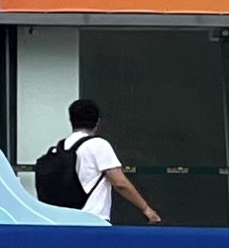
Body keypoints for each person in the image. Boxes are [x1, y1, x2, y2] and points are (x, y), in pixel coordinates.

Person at [65, 96, 164, 224]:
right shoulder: (98, 145)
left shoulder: (63, 147)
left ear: (71, 120)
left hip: (66, 220)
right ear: (97, 122)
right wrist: (147, 210)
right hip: (93, 219)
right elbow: (120, 183)